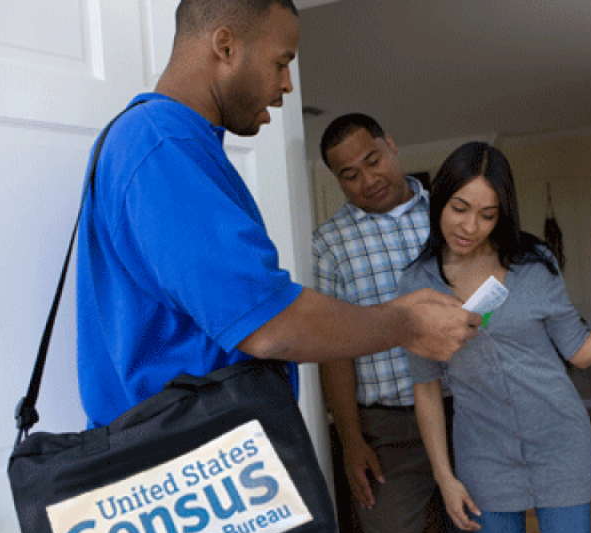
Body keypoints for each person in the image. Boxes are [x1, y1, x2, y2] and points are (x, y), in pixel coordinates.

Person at [75, 0, 482, 429]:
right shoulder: (161, 144)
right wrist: (406, 323)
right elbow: (267, 324)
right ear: (225, 47)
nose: (288, 84)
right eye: (281, 63)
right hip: (184, 449)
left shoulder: (176, 144)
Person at [398, 142, 591, 533]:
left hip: (560, 444)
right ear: (440, 202)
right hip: (483, 456)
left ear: (502, 215)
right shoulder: (417, 283)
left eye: (487, 215)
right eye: (459, 208)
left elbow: (579, 350)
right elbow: (426, 388)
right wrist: (445, 478)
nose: (469, 226)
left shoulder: (534, 263)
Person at [313, 114, 484, 533]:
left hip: (466, 414)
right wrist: (351, 439)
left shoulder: (449, 215)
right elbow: (334, 349)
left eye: (373, 161)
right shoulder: (329, 244)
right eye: (350, 175)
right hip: (387, 431)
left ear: (390, 144)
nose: (368, 180)